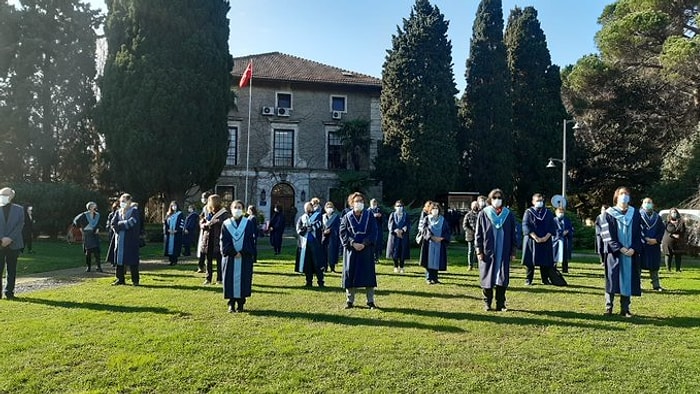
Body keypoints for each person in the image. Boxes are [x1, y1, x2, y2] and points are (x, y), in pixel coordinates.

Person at [600, 186, 642, 317]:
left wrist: (634, 248)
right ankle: (609, 307)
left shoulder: (635, 213)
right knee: (612, 279)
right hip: (615, 253)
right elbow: (607, 235)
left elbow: (639, 234)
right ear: (616, 197)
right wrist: (621, 248)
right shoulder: (608, 213)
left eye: (626, 194)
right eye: (622, 194)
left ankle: (625, 309)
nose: (624, 196)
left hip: (630, 253)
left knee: (628, 279)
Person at [475, 189, 517, 312]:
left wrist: (513, 251)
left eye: (499, 197)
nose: (497, 200)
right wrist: (479, 250)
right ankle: (487, 303)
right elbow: (478, 234)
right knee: (487, 278)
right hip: (488, 251)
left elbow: (513, 234)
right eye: (494, 197)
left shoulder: (508, 214)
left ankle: (501, 304)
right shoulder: (484, 213)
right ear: (490, 199)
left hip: (503, 251)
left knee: (502, 278)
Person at [340, 192, 378, 309]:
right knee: (350, 274)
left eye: (361, 201)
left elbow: (374, 231)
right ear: (352, 203)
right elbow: (343, 232)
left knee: (368, 275)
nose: (359, 203)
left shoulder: (369, 215)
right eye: (356, 201)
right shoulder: (347, 216)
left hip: (366, 250)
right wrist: (352, 243)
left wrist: (364, 243)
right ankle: (349, 301)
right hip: (352, 250)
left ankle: (370, 301)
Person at [221, 200, 257, 313]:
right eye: (235, 207)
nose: (237, 209)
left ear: (243, 209)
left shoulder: (248, 223)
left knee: (244, 280)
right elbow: (224, 241)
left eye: (239, 207)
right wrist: (232, 252)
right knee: (229, 279)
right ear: (231, 209)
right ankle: (231, 304)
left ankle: (241, 304)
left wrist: (243, 252)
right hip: (230, 258)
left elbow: (251, 240)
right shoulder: (226, 224)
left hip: (244, 257)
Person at [521, 193, 556, 285]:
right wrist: (535, 237)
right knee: (530, 262)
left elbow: (552, 226)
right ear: (533, 202)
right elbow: (526, 225)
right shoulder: (528, 212)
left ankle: (545, 279)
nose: (539, 202)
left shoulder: (547, 213)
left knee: (545, 261)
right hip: (532, 240)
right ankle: (529, 279)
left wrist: (546, 237)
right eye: (537, 201)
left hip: (545, 239)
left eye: (541, 201)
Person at [107, 193, 141, 286]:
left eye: (124, 201)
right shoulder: (118, 212)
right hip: (120, 239)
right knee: (119, 261)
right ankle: (120, 279)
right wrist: (118, 228)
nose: (122, 203)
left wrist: (120, 225)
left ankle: (135, 280)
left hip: (130, 239)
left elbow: (132, 222)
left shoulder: (134, 211)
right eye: (121, 201)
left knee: (132, 261)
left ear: (129, 201)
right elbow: (113, 223)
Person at [0, 187, 24, 300]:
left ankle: (9, 292)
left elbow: (19, 226)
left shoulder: (19, 209)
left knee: (11, 269)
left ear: (11, 196)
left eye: (5, 194)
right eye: (1, 194)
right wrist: (1, 239)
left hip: (14, 244)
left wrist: (9, 238)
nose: (3, 196)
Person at [199, 194, 229, 285]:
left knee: (219, 261)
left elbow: (227, 224)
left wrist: (218, 222)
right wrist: (205, 225)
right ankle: (208, 278)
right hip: (208, 239)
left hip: (218, 240)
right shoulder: (208, 212)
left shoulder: (224, 213)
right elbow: (201, 222)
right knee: (208, 260)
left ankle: (220, 279)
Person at [419, 202, 451, 284]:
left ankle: (435, 278)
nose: (435, 210)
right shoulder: (427, 218)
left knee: (437, 260)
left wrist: (442, 238)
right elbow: (424, 229)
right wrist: (431, 237)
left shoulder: (443, 220)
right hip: (429, 243)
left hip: (439, 243)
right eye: (433, 209)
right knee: (429, 260)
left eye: (436, 209)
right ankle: (429, 278)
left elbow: (447, 230)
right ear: (430, 210)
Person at [295, 202, 326, 287]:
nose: (308, 208)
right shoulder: (302, 217)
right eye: (306, 207)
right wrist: (305, 229)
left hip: (315, 244)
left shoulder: (318, 215)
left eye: (309, 207)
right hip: (305, 245)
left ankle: (320, 282)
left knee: (317, 263)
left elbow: (319, 224)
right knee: (307, 263)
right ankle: (309, 281)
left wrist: (311, 227)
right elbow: (298, 229)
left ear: (312, 207)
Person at [640, 197, 664, 291]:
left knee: (654, 266)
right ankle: (637, 285)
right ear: (642, 204)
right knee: (638, 265)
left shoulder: (657, 217)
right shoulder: (638, 215)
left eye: (649, 202)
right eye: (645, 202)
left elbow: (661, 231)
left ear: (653, 204)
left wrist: (656, 240)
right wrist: (644, 238)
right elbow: (635, 230)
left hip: (654, 245)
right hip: (642, 244)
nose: (647, 204)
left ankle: (656, 285)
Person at [73, 201, 102, 272]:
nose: (95, 208)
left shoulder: (97, 215)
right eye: (93, 206)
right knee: (88, 252)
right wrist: (81, 229)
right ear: (89, 208)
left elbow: (99, 224)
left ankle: (99, 267)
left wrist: (98, 228)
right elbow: (76, 221)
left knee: (96, 252)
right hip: (87, 234)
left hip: (94, 234)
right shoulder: (84, 215)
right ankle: (88, 267)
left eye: (95, 206)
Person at [386, 200, 410, 273]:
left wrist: (402, 230)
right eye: (398, 206)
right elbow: (390, 225)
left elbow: (408, 224)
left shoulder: (406, 215)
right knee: (394, 251)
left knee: (402, 251)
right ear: (395, 207)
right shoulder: (392, 214)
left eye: (401, 206)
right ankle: (395, 266)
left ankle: (402, 266)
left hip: (403, 236)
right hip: (394, 236)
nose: (399, 207)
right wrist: (395, 230)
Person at [662, 207, 685, 272]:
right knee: (668, 255)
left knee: (678, 255)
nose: (674, 213)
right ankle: (668, 269)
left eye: (675, 212)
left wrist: (679, 235)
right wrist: (672, 235)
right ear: (670, 214)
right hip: (668, 241)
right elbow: (666, 230)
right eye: (672, 212)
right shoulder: (666, 222)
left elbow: (683, 230)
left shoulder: (681, 222)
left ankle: (678, 269)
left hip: (678, 242)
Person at [553, 207, 574, 273]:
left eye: (562, 212)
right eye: (559, 212)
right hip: (556, 240)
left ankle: (565, 269)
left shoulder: (567, 220)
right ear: (556, 213)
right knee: (555, 254)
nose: (561, 214)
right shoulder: (553, 220)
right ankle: (554, 268)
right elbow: (553, 230)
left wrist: (568, 232)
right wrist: (561, 233)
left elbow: (571, 228)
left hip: (565, 240)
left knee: (565, 255)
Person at [195, 191, 212, 273]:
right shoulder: (205, 208)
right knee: (202, 248)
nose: (203, 199)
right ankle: (201, 265)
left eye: (204, 198)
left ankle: (203, 265)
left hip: (208, 230)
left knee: (205, 248)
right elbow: (202, 217)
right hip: (204, 228)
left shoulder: (210, 208)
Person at [163, 201, 184, 266]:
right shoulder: (168, 214)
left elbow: (182, 223)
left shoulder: (180, 214)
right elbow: (165, 223)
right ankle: (170, 260)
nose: (174, 207)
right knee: (169, 247)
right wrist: (167, 230)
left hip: (176, 234)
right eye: (172, 206)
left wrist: (177, 230)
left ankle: (175, 260)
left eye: (175, 206)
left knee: (175, 247)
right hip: (169, 234)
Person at [322, 201, 341, 273]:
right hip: (324, 237)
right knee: (324, 252)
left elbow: (338, 226)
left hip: (333, 237)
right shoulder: (323, 216)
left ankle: (332, 267)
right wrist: (324, 231)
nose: (329, 208)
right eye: (327, 207)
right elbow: (321, 226)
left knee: (332, 253)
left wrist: (331, 230)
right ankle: (324, 267)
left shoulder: (336, 217)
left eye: (330, 207)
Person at [462, 200, 480, 271]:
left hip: (479, 236)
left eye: (476, 205)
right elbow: (464, 226)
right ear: (471, 206)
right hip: (470, 236)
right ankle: (470, 265)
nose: (475, 207)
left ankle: (479, 266)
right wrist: (472, 232)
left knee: (479, 251)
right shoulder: (468, 215)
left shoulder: (481, 214)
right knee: (471, 251)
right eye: (474, 205)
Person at [369, 198, 384, 264]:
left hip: (378, 229)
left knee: (377, 244)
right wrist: (373, 216)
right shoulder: (368, 211)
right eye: (373, 203)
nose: (374, 204)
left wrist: (380, 216)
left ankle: (376, 258)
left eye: (375, 203)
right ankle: (370, 258)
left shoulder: (379, 210)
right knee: (370, 244)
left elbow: (383, 220)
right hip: (370, 230)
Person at [105, 200, 120, 267]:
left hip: (119, 232)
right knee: (113, 247)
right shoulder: (111, 214)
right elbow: (109, 223)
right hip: (113, 233)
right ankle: (113, 261)